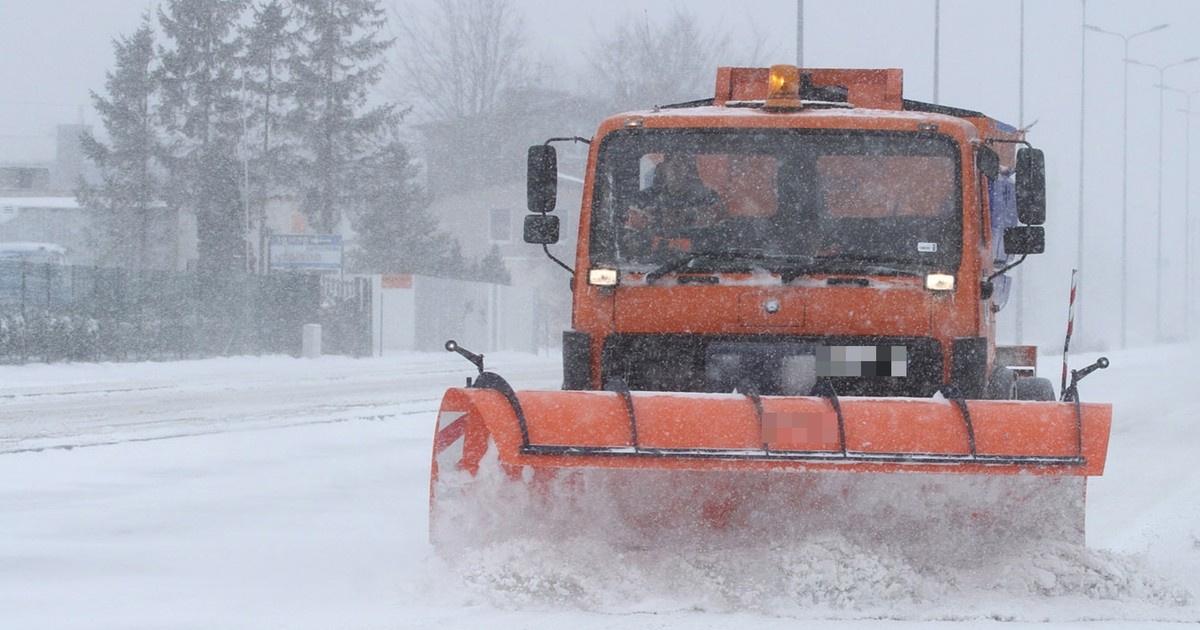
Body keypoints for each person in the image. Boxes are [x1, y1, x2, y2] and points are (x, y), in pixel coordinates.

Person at [623, 153, 725, 255]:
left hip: (700, 265)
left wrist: (678, 245)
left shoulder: (708, 200)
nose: (677, 169)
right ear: (664, 169)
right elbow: (631, 243)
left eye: (684, 164)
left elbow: (721, 239)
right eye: (673, 163)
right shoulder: (644, 200)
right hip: (652, 267)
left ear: (690, 170)